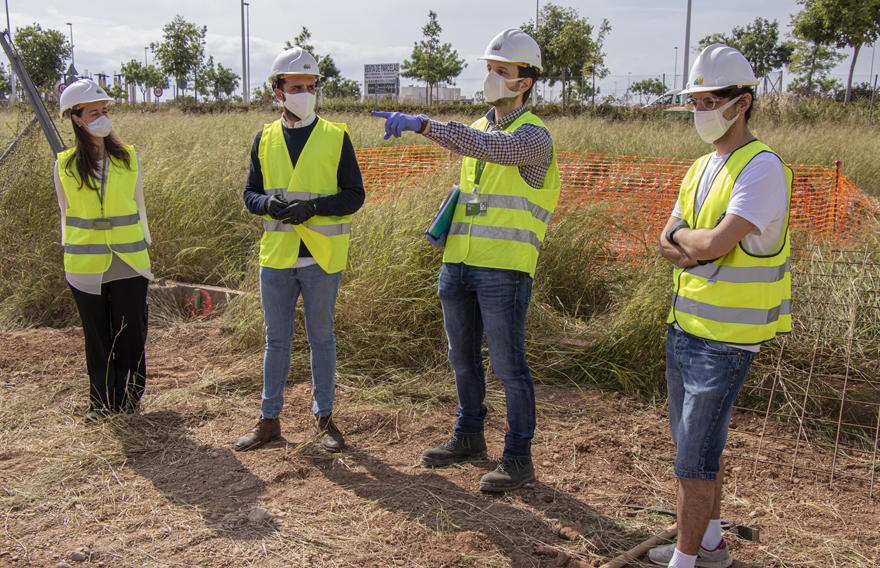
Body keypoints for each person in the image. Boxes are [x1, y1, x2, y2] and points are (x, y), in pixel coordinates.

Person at [372, 28, 561, 492]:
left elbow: (494, 150)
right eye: (490, 69)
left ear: (526, 82)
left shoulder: (533, 137)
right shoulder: (476, 129)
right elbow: (477, 189)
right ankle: (469, 435)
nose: (493, 78)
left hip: (504, 268)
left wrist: (424, 124)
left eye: (504, 71)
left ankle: (518, 457)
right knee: (461, 358)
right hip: (458, 263)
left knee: (508, 366)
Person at [650, 44, 792, 568]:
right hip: (685, 326)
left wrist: (690, 241)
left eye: (711, 100)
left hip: (726, 342)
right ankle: (710, 545)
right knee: (699, 452)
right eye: (696, 101)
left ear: (743, 102)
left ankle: (685, 562)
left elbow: (706, 245)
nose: (700, 111)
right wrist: (691, 240)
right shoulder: (701, 166)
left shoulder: (762, 168)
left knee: (694, 460)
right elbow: (664, 238)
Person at [234, 47, 365, 453]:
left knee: (321, 339)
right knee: (276, 341)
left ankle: (324, 420)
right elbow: (249, 193)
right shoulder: (265, 138)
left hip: (321, 258)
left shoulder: (336, 135)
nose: (305, 93)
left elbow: (354, 196)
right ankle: (268, 421)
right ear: (278, 91)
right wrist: (265, 205)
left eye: (310, 86)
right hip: (276, 258)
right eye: (296, 87)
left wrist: (314, 208)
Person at [55, 79, 153, 423]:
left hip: (128, 260)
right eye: (94, 112)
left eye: (104, 110)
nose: (102, 117)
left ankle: (128, 401)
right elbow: (66, 215)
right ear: (77, 118)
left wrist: (146, 248)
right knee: (97, 338)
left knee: (130, 333)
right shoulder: (65, 165)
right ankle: (100, 405)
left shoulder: (128, 158)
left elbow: (139, 206)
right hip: (84, 265)